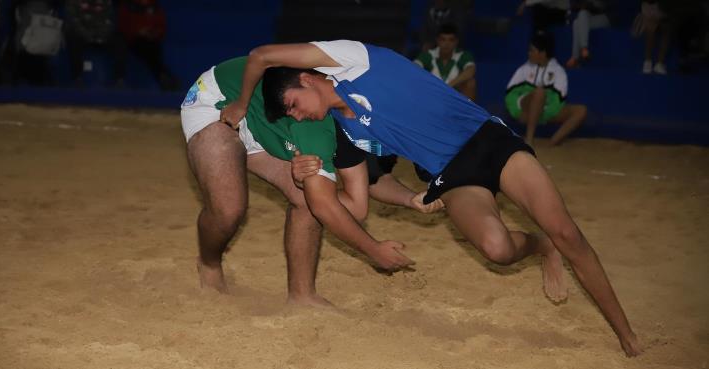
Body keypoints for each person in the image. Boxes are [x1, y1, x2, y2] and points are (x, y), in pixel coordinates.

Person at [219, 39, 642, 356]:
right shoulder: (342, 132)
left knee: (567, 231)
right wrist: (304, 175)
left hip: (488, 141)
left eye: (294, 104)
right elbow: (363, 192)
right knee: (496, 249)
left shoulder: (352, 61)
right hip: (451, 175)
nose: (297, 115)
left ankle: (628, 337)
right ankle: (540, 246)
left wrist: (240, 103)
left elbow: (261, 56)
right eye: (290, 115)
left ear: (309, 78)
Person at [181, 56, 442, 306]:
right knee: (230, 209)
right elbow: (324, 204)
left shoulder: (358, 119)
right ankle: (209, 263)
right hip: (218, 103)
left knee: (316, 198)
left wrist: (410, 199)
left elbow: (370, 185)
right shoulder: (316, 121)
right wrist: (373, 250)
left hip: (271, 124)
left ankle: (302, 296)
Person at [505, 31, 587, 146]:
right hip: (524, 110)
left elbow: (559, 100)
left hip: (546, 112)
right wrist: (518, 111)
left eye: (532, 50)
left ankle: (552, 142)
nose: (529, 53)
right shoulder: (524, 69)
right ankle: (529, 139)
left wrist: (540, 112)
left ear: (542, 53)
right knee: (539, 92)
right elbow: (510, 93)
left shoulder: (559, 72)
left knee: (581, 110)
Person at [117, 0, 178, 90]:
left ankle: (164, 77)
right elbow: (123, 26)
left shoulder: (154, 6)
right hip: (133, 40)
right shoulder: (127, 6)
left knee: (152, 48)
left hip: (151, 40)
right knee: (147, 49)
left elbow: (161, 27)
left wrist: (153, 33)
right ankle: (164, 76)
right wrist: (138, 32)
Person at [414, 23, 477, 101]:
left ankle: (467, 113)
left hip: (454, 99)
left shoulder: (462, 55)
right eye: (443, 39)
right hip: (432, 96)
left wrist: (450, 85)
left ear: (456, 41)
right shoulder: (428, 55)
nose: (446, 44)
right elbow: (414, 67)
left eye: (451, 40)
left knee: (470, 82)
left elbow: (471, 70)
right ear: (437, 40)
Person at [565, 0, 611, 68]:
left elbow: (602, 7)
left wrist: (588, 5)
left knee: (580, 17)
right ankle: (579, 53)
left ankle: (580, 52)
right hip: (589, 16)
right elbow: (574, 7)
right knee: (577, 21)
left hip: (604, 17)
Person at [631, 0, 669, 74]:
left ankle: (659, 64)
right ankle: (648, 62)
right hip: (650, 6)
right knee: (650, 30)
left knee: (667, 31)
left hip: (666, 6)